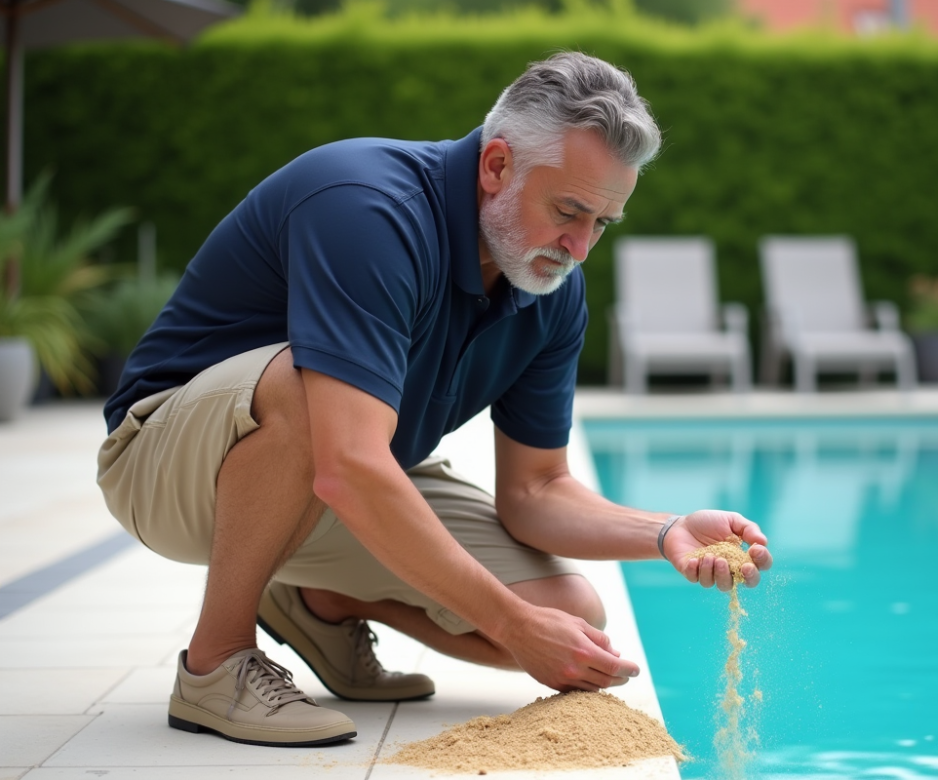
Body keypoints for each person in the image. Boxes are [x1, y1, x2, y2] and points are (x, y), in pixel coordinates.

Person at [96, 51, 772, 748]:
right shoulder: (367, 208)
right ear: (496, 166)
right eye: (568, 211)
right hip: (168, 465)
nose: (579, 247)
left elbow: (537, 489)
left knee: (573, 617)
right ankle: (217, 666)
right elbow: (349, 463)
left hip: (336, 479)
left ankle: (317, 602)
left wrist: (663, 533)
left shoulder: (551, 289)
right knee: (310, 391)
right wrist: (509, 622)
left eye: (602, 223)